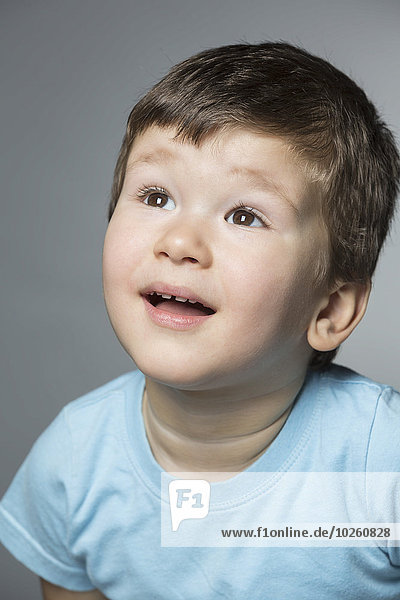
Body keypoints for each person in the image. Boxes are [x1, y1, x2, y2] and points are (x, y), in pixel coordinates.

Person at [1, 41, 400, 600]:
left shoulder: (381, 462)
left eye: (244, 215)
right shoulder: (73, 464)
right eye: (156, 196)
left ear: (331, 309)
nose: (180, 242)